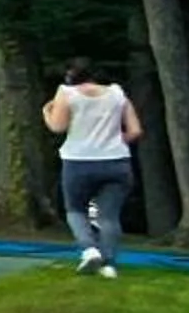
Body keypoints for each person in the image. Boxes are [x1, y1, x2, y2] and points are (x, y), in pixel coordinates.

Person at [42, 58, 143, 277]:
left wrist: (46, 112)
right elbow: (135, 131)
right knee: (109, 217)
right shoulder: (117, 93)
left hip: (78, 161)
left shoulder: (66, 93)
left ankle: (89, 249)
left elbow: (58, 127)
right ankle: (109, 265)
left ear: (70, 75)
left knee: (75, 210)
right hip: (116, 162)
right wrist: (114, 141)